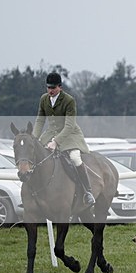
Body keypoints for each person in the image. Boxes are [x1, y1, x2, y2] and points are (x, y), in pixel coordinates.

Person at [32, 72, 95, 206]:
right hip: (50, 133)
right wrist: (33, 139)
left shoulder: (69, 100)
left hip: (70, 135)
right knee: (35, 155)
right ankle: (33, 193)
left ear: (60, 87)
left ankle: (87, 191)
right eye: (48, 87)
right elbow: (40, 121)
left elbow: (69, 125)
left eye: (53, 88)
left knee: (75, 158)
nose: (50, 91)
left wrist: (56, 141)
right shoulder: (44, 99)